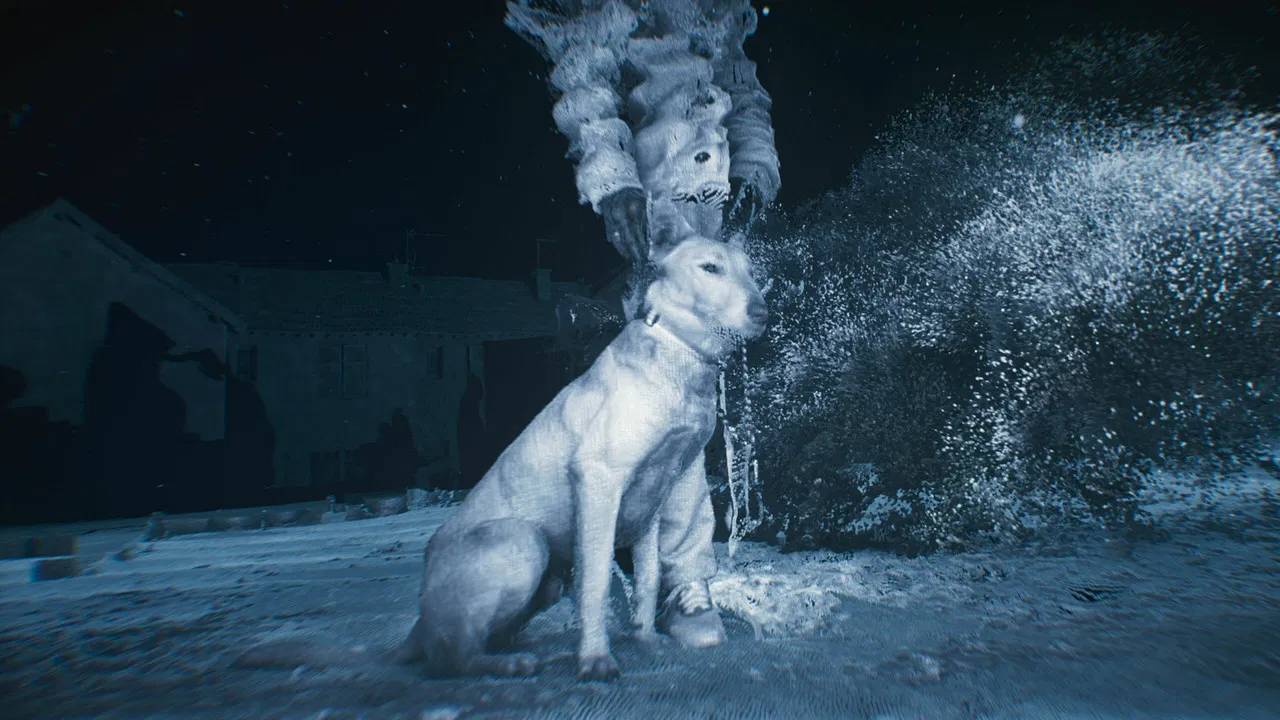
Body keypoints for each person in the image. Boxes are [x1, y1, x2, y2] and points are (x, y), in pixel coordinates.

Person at [506, 0, 781, 649]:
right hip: (630, 216)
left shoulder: (718, 12)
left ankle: (674, 579)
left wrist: (753, 168)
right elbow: (585, 76)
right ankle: (644, 576)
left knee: (685, 406)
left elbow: (741, 89)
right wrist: (611, 181)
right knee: (635, 406)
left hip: (704, 220)